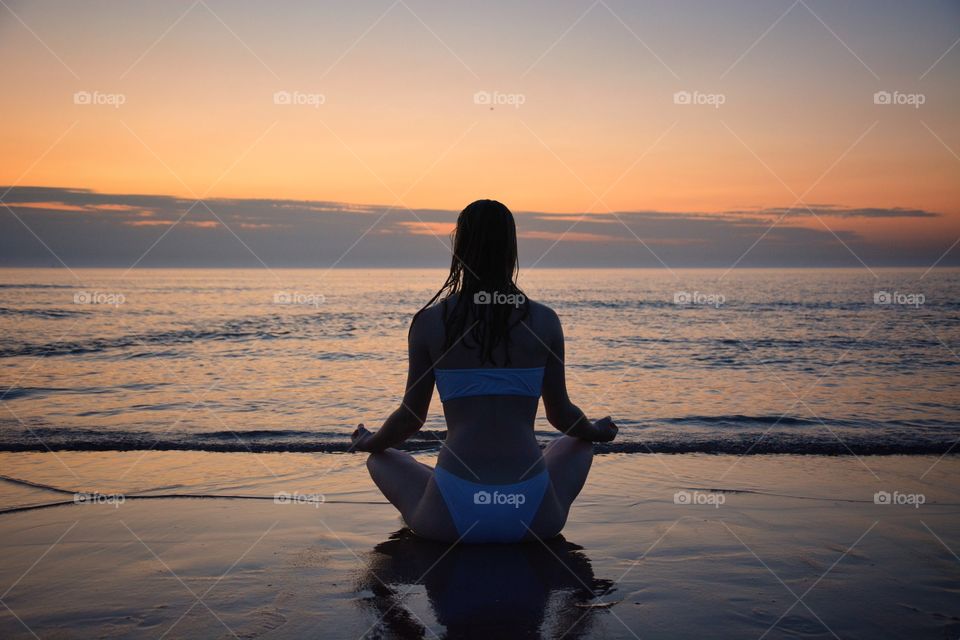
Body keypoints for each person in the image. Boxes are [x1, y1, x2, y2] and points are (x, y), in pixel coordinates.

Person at [350, 199, 617, 543]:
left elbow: (410, 418)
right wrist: (595, 431)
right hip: (534, 517)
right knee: (578, 444)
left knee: (379, 458)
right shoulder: (544, 321)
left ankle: (434, 490)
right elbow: (561, 414)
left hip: (449, 518)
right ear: (511, 248)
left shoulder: (430, 322)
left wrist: (368, 441)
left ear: (460, 247)